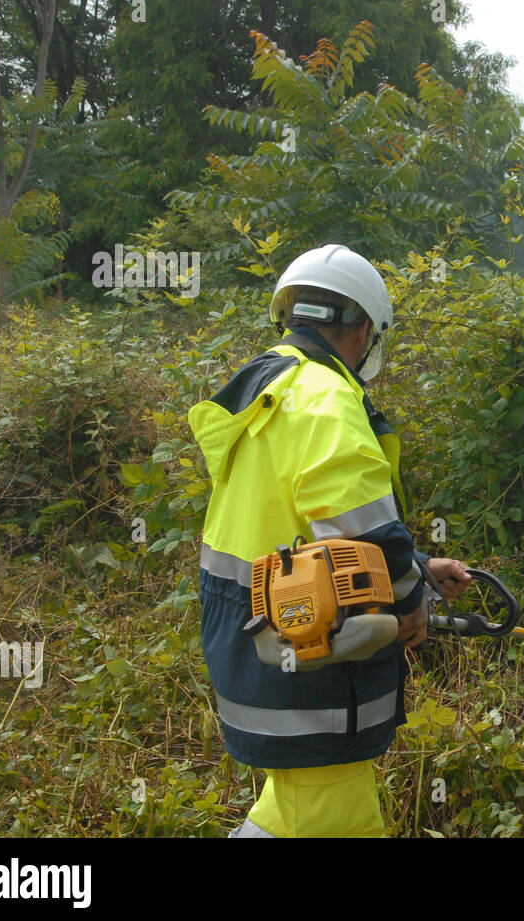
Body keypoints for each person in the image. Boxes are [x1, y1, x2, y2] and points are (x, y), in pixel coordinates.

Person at [188, 243, 471, 837]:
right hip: (307, 655)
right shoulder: (327, 398)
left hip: (259, 640)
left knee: (296, 811)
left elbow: (307, 526)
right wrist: (410, 595)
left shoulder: (268, 388)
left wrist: (416, 566)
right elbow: (362, 530)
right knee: (334, 820)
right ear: (365, 327)